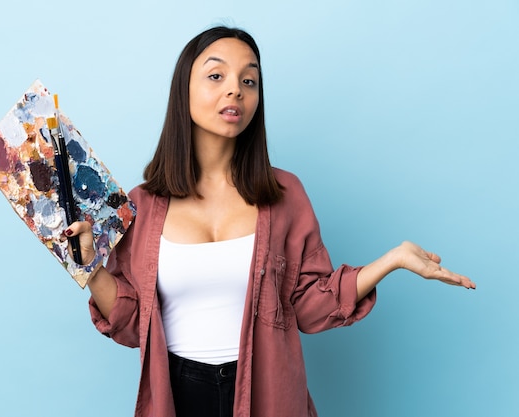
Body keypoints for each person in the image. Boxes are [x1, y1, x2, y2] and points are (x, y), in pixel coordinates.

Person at [64, 26, 476, 417]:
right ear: (183, 91)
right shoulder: (140, 206)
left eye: (249, 81)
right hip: (176, 394)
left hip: (267, 392)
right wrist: (89, 268)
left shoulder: (284, 194)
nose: (234, 89)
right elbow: (136, 326)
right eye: (216, 75)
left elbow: (311, 306)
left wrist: (391, 261)